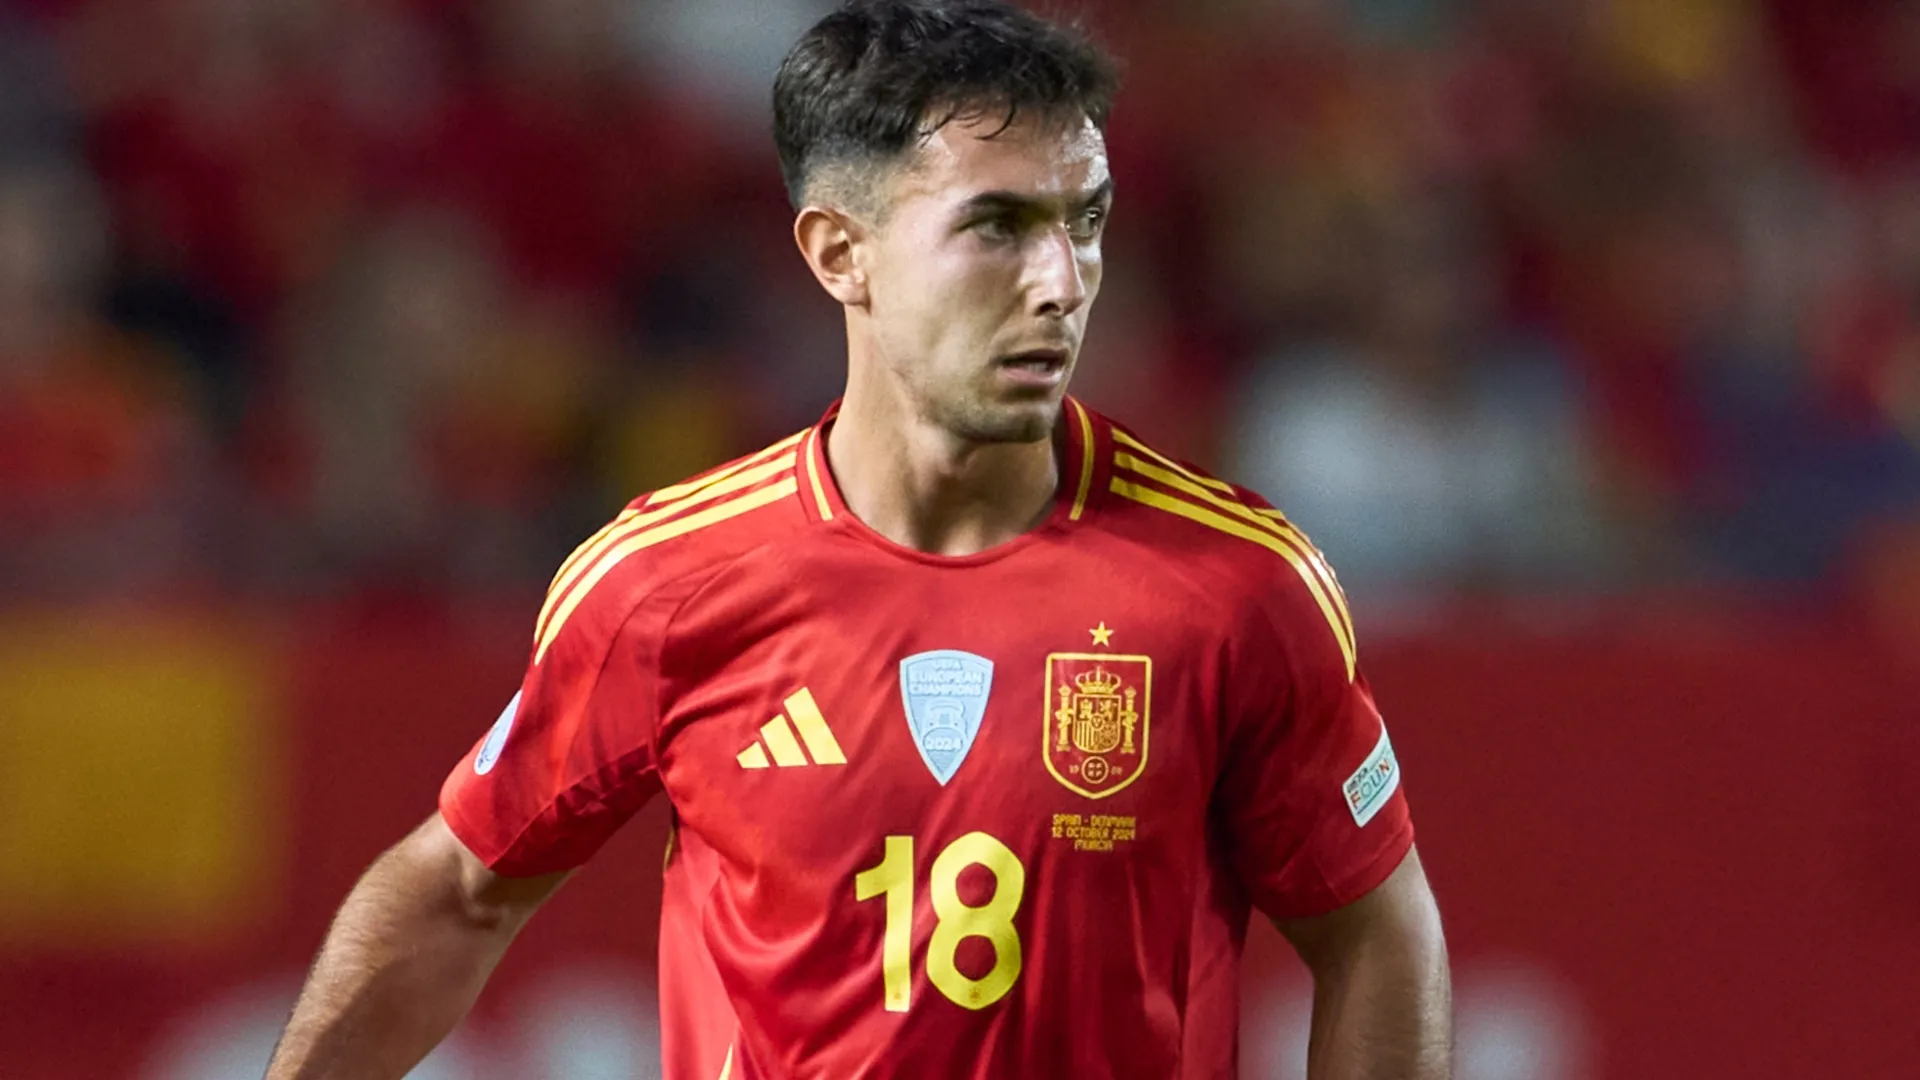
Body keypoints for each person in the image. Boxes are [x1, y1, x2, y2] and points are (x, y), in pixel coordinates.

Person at [264, 2, 1452, 1077]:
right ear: (842, 253)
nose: (1060, 281)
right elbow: (458, 892)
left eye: (1083, 222)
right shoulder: (669, 583)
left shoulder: (1236, 590)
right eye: (997, 226)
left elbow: (1375, 932)